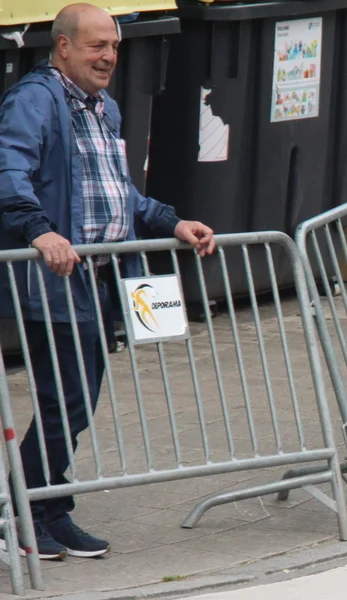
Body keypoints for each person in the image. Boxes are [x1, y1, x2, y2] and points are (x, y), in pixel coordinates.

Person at [0, 3, 216, 561]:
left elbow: (120, 193)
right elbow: (9, 173)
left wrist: (172, 222)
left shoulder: (104, 108)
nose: (109, 57)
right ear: (63, 47)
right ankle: (24, 513)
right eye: (97, 46)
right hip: (54, 279)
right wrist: (40, 231)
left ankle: (48, 508)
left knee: (76, 400)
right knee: (64, 399)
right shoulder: (34, 101)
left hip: (97, 278)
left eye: (114, 47)